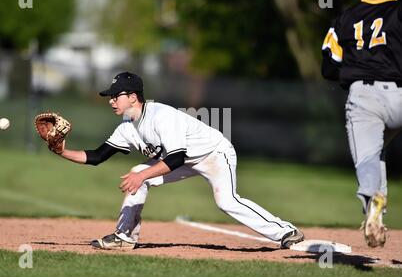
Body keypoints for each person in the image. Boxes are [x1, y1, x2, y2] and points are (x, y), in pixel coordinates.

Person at [58, 71, 304, 250]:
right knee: (138, 174)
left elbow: (175, 158)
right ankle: (124, 238)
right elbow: (97, 157)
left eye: (116, 96)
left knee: (226, 201)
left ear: (133, 97)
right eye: (110, 97)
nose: (111, 100)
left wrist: (142, 175)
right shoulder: (126, 127)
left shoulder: (161, 116)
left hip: (214, 154)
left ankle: (286, 231)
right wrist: (61, 151)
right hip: (184, 160)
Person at [321, 0, 402, 247]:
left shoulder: (345, 17)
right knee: (377, 150)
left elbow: (329, 67)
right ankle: (376, 210)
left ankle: (373, 203)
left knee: (367, 157)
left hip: (365, 97)